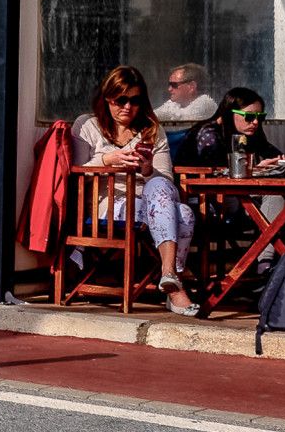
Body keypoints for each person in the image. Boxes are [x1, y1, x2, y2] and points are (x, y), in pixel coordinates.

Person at [73, 65, 199, 315]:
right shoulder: (87, 126)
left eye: (135, 100)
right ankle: (174, 286)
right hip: (110, 203)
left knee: (164, 190)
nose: (127, 107)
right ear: (107, 97)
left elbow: (166, 180)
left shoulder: (151, 129)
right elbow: (74, 171)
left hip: (150, 201)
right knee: (183, 214)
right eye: (121, 100)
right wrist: (108, 160)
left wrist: (147, 168)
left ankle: (168, 274)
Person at [173, 86, 280, 171]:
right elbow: (215, 174)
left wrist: (281, 161)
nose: (256, 122)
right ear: (230, 113)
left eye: (260, 116)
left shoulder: (248, 133)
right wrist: (257, 170)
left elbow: (272, 153)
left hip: (237, 190)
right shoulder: (209, 135)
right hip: (204, 194)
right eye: (249, 116)